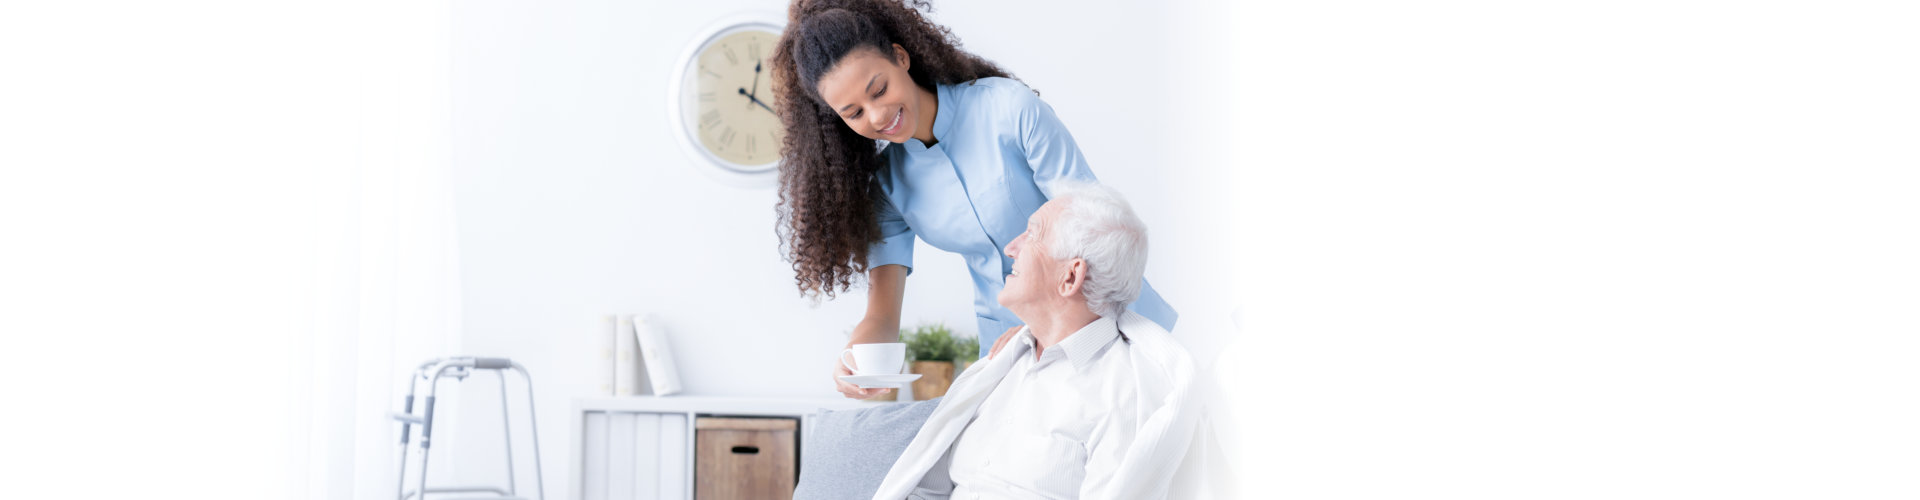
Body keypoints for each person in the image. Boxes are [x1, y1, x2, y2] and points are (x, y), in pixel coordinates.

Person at [770, 0, 1178, 400]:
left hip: (1112, 323)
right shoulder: (889, 188)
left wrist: (1043, 327)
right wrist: (854, 360)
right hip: (1009, 352)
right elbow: (881, 314)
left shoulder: (1008, 108)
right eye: (853, 113)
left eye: (878, 90)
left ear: (900, 57)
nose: (876, 116)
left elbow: (1094, 226)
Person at [872, 182, 1198, 499]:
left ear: (1070, 277)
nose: (1011, 248)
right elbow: (927, 489)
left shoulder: (1122, 394)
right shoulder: (1000, 367)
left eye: (1032, 234)